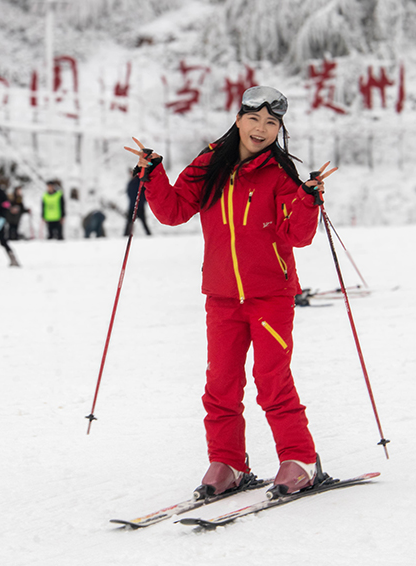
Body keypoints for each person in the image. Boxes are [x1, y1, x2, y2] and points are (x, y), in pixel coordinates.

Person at [124, 86, 337, 499]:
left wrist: (308, 201)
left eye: (271, 123)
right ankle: (228, 462)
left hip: (270, 296)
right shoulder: (209, 165)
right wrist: (153, 176)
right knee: (220, 384)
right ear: (238, 120)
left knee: (271, 380)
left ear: (279, 130)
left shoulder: (280, 175)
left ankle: (300, 460)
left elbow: (297, 235)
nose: (261, 129)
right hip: (221, 296)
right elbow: (172, 211)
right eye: (254, 119)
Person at [124, 168, 151, 236]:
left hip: (140, 206)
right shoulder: (130, 183)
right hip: (132, 206)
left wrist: (142, 201)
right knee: (129, 221)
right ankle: (125, 235)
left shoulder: (140, 182)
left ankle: (149, 234)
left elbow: (146, 193)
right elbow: (129, 194)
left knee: (143, 222)